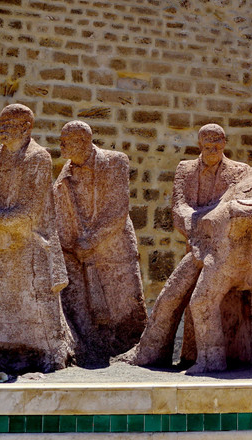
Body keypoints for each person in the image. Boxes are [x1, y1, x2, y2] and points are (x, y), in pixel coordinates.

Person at [117, 124, 248, 366]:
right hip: (195, 245)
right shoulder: (185, 169)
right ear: (199, 145)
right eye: (207, 146)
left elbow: (231, 206)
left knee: (202, 301)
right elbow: (178, 206)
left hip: (222, 251)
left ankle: (205, 359)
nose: (212, 150)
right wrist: (194, 225)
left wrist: (203, 220)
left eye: (217, 145)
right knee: (171, 296)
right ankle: (153, 353)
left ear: (225, 143)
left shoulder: (240, 172)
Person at [0, 104, 74, 373]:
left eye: (10, 125)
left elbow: (28, 214)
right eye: (1, 124)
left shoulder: (38, 158)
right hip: (1, 245)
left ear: (27, 128)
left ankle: (48, 357)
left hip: (32, 244)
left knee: (37, 306)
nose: (3, 130)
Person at [53, 120, 147, 366]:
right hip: (81, 256)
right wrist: (72, 246)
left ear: (83, 141)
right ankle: (90, 356)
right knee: (89, 315)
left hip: (114, 249)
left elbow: (118, 210)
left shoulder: (115, 162)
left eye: (66, 141)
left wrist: (92, 239)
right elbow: (58, 211)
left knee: (127, 308)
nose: (61, 145)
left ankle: (133, 358)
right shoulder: (65, 176)